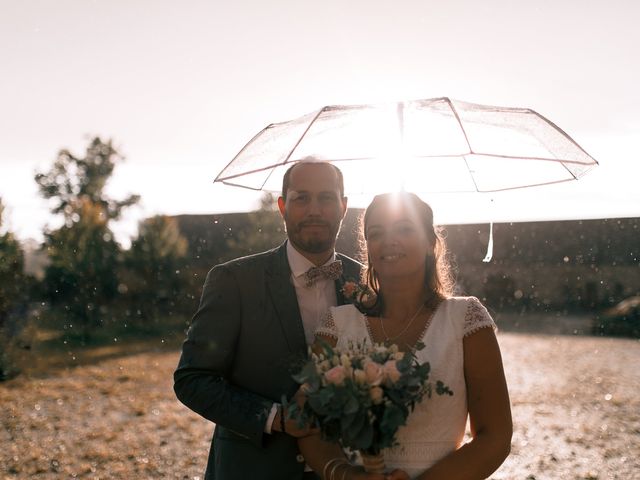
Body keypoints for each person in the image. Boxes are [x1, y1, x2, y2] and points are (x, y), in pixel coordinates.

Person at [298, 191, 513, 480]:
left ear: (430, 244)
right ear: (368, 248)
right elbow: (310, 427)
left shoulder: (466, 320)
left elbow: (495, 436)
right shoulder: (337, 325)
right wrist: (348, 476)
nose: (389, 240)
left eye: (404, 229)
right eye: (376, 233)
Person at [173, 160, 365, 480]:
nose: (314, 209)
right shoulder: (234, 280)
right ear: (282, 206)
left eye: (326, 198)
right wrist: (275, 418)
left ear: (344, 206)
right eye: (301, 198)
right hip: (255, 468)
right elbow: (192, 379)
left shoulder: (368, 281)